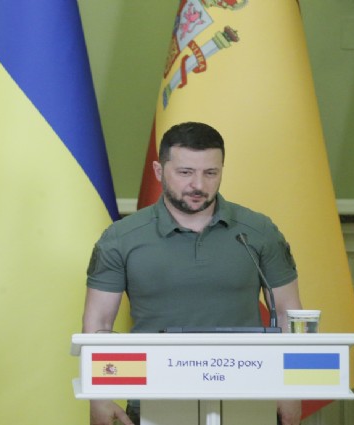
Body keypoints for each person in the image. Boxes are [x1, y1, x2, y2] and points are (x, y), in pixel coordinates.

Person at [82, 122, 303, 425]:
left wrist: (292, 390)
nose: (198, 185)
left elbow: (289, 312)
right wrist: (99, 395)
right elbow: (99, 323)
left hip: (247, 396)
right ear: (159, 171)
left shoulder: (258, 231)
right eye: (185, 172)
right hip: (154, 398)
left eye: (210, 173)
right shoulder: (121, 238)